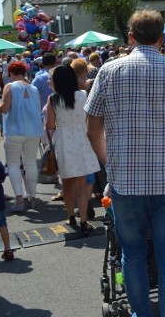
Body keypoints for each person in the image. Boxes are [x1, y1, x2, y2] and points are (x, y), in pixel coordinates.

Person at [86, 9, 165, 317]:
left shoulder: (108, 71)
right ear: (162, 39)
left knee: (133, 255)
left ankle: (140, 314)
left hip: (125, 182)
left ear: (130, 37)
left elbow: (92, 128)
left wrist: (108, 161)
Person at [47, 65, 101, 233]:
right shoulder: (83, 95)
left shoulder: (53, 99)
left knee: (68, 184)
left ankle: (71, 216)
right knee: (83, 184)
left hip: (64, 140)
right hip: (82, 139)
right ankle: (84, 220)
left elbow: (49, 125)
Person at [0, 60, 43, 212]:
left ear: (10, 73)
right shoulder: (33, 88)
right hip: (33, 131)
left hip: (14, 130)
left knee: (13, 164)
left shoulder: (10, 86)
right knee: (30, 163)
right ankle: (32, 198)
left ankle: (19, 199)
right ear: (24, 73)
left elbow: (4, 108)